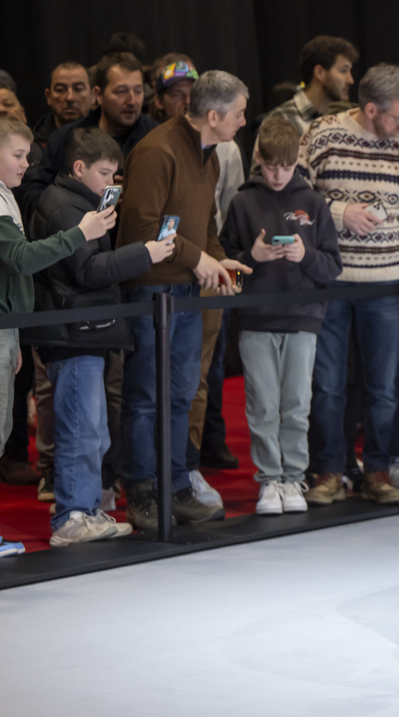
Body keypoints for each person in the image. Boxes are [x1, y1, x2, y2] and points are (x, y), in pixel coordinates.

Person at [116, 71, 252, 530]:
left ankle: (174, 486)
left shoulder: (209, 154)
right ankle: (141, 492)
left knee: (179, 395)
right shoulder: (157, 151)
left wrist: (218, 259)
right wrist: (199, 259)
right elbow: (140, 230)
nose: (243, 121)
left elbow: (205, 224)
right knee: (145, 397)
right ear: (213, 115)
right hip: (152, 292)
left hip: (187, 292)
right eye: (238, 113)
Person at [28, 128, 175, 545]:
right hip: (72, 333)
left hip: (83, 330)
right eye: (106, 174)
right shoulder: (65, 207)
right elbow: (87, 271)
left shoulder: (78, 203)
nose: (113, 183)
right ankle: (72, 515)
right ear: (79, 168)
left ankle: (86, 509)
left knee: (93, 428)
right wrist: (145, 253)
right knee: (81, 427)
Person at [299, 64, 399, 505]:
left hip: (388, 281)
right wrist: (340, 215)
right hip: (331, 281)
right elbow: (295, 198)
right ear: (370, 108)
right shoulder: (322, 134)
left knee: (385, 385)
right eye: (397, 117)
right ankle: (329, 471)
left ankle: (378, 469)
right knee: (329, 384)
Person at [0, 117, 117, 555]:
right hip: (30, 328)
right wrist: (79, 234)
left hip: (12, 329)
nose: (27, 164)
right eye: (17, 155)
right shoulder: (28, 203)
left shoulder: (9, 197)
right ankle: (72, 515)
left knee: (11, 426)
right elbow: (20, 259)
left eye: (28, 155)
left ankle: (80, 512)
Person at [220, 118, 341, 515]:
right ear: (258, 158)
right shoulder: (242, 202)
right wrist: (249, 258)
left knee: (295, 404)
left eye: (285, 167)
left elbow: (332, 267)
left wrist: (305, 255)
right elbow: (224, 264)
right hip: (256, 319)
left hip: (303, 317)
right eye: (271, 166)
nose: (277, 175)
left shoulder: (314, 202)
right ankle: (270, 480)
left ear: (296, 163)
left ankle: (294, 477)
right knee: (262, 405)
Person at [18, 52, 158, 219]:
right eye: (121, 91)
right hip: (77, 235)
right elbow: (34, 195)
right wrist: (79, 194)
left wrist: (134, 194)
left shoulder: (156, 138)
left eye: (138, 91)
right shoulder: (65, 137)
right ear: (98, 95)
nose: (132, 101)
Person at [259, 36, 358, 139]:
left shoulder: (346, 117)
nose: (350, 80)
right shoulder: (280, 120)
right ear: (319, 72)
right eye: (343, 70)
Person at [31, 62, 93, 150]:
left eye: (78, 89)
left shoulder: (109, 139)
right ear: (48, 96)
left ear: (93, 95)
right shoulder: (32, 144)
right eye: (60, 90)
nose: (70, 98)